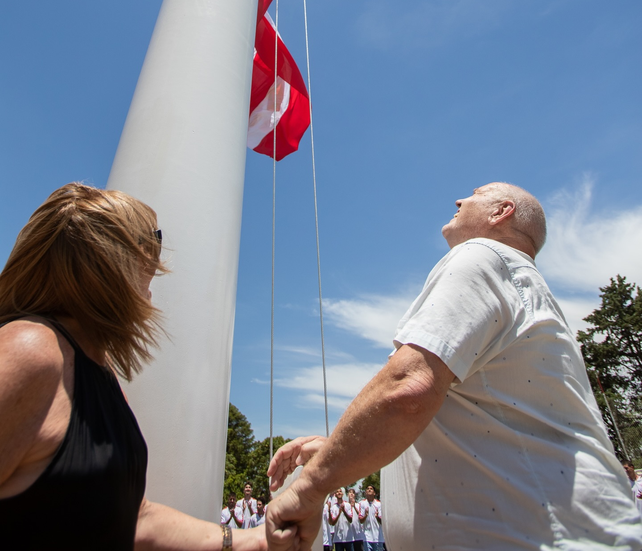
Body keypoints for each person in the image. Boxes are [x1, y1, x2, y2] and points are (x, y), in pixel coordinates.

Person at [266, 183, 642, 550]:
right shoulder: (515, 279)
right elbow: (465, 423)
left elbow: (408, 389)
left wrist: (308, 489)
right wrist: (339, 449)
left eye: (476, 194)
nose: (459, 199)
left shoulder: (483, 255)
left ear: (501, 212)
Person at [0, 183, 268, 551]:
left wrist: (254, 541)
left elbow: (133, 517)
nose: (155, 268)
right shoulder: (30, 352)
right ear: (107, 263)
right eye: (148, 247)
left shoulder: (99, 372)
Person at [358, 486, 383, 551]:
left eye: (371, 489)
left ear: (374, 493)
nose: (369, 490)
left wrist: (377, 517)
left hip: (378, 537)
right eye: (368, 489)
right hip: (367, 537)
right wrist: (366, 515)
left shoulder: (379, 504)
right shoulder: (362, 503)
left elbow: (382, 522)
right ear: (365, 492)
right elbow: (361, 520)